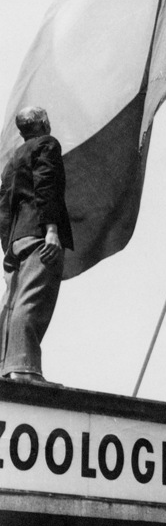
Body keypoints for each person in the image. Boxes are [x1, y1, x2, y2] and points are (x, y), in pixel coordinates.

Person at [0, 106, 73, 383]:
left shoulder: (12, 161)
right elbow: (47, 186)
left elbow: (4, 205)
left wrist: (8, 245)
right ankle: (24, 369)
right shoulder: (47, 145)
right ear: (43, 123)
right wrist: (51, 230)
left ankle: (6, 367)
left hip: (18, 239)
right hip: (40, 234)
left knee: (12, 302)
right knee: (31, 301)